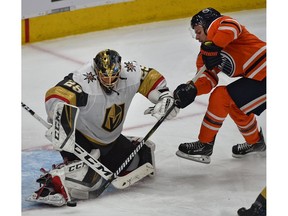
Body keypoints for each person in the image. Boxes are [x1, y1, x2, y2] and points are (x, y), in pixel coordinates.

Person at [26, 49, 179, 206]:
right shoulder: (83, 80)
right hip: (81, 139)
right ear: (96, 70)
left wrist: (164, 96)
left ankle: (101, 158)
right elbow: (56, 95)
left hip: (110, 139)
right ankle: (54, 183)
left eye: (114, 75)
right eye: (105, 76)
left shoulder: (130, 71)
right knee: (89, 183)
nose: (110, 81)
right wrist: (59, 116)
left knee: (137, 162)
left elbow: (151, 77)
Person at [173, 7, 266, 164]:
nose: (196, 37)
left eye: (198, 31)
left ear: (209, 26)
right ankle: (255, 141)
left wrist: (214, 46)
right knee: (233, 104)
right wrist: (193, 89)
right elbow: (208, 78)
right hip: (260, 79)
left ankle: (205, 144)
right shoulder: (205, 55)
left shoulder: (222, 27)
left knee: (223, 96)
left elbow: (231, 26)